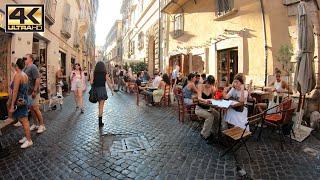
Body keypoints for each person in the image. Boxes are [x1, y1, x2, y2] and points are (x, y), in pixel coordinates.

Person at [10, 58, 33, 148]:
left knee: (24, 120)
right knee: (22, 120)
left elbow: (15, 91)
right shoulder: (24, 75)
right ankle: (27, 136)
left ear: (16, 66)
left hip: (20, 101)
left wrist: (12, 104)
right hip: (23, 99)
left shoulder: (18, 75)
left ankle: (29, 140)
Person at [24, 54, 46, 133]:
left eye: (26, 58)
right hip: (28, 92)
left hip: (34, 92)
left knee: (36, 108)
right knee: (31, 109)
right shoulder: (25, 67)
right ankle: (35, 124)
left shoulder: (33, 67)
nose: (24, 59)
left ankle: (42, 125)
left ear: (30, 59)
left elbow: (37, 79)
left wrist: (35, 90)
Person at [195, 75, 220, 142]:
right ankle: (204, 134)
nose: (209, 85)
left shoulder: (212, 88)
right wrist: (205, 100)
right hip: (199, 108)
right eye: (208, 83)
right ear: (206, 81)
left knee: (217, 114)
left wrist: (215, 98)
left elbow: (213, 97)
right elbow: (199, 98)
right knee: (210, 116)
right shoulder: (201, 86)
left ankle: (214, 131)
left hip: (208, 108)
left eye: (211, 84)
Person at [90, 61, 114, 127]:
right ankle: (100, 122)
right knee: (101, 106)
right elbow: (109, 83)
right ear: (103, 67)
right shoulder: (105, 73)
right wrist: (112, 90)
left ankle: (100, 120)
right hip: (102, 90)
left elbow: (91, 83)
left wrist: (91, 75)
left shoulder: (94, 73)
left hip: (96, 90)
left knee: (99, 105)